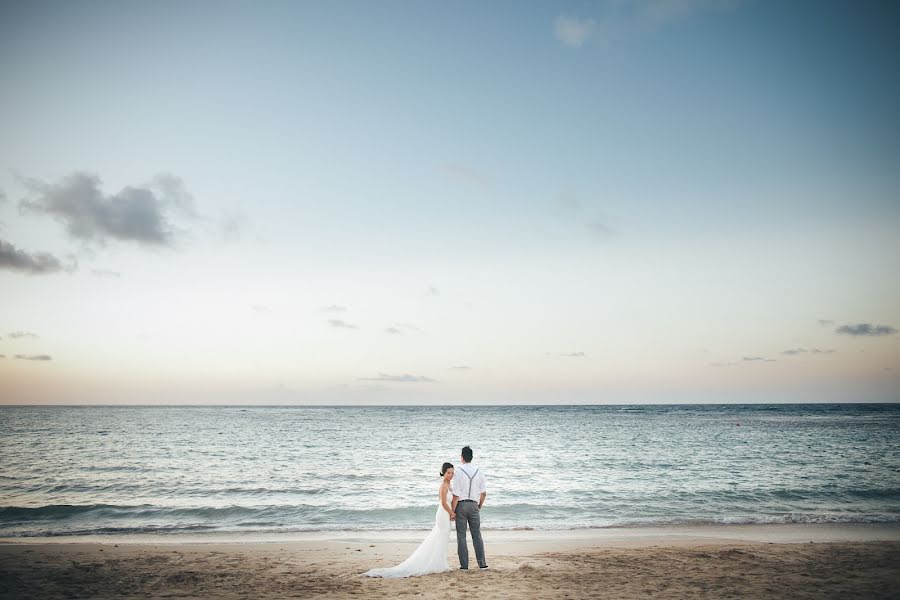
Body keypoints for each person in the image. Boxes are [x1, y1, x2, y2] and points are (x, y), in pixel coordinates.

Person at [363, 462, 456, 578]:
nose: (450, 475)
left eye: (452, 473)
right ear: (443, 473)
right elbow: (443, 502)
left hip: (446, 514)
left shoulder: (449, 485)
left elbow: (452, 499)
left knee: (443, 539)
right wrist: (452, 513)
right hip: (443, 514)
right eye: (448, 473)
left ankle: (441, 563)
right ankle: (437, 564)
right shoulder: (443, 485)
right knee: (440, 538)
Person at [450, 445, 488, 570]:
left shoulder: (458, 472)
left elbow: (455, 495)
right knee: (477, 535)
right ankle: (482, 564)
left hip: (461, 505)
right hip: (474, 505)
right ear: (471, 457)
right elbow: (483, 493)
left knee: (461, 536)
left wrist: (452, 511)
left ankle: (464, 566)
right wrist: (479, 506)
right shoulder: (479, 472)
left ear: (462, 458)